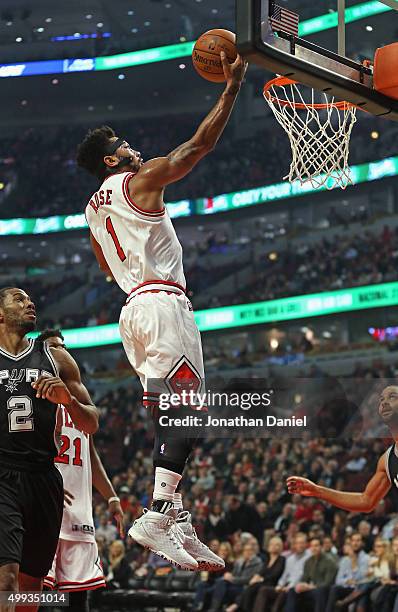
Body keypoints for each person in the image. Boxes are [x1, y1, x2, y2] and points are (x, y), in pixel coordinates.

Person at [76, 51, 247, 570]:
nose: (132, 147)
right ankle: (155, 513)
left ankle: (172, 511)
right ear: (111, 160)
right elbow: (198, 147)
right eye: (122, 146)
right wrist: (232, 86)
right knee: (187, 409)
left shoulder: (92, 208)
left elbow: (107, 268)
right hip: (161, 300)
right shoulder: (137, 180)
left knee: (182, 413)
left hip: (133, 308)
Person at [0, 287, 99, 612]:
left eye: (30, 298)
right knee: (6, 582)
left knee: (31, 589)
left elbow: (91, 424)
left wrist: (68, 401)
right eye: (18, 298)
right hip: (3, 477)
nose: (30, 302)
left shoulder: (55, 358)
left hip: (44, 479)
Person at [39, 329, 124, 612]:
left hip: (79, 514)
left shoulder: (81, 408)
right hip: (44, 506)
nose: (61, 352)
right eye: (53, 347)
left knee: (79, 597)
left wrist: (111, 497)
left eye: (63, 346)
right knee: (35, 593)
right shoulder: (34, 400)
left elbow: (90, 454)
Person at [287, 385, 398, 515]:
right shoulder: (387, 460)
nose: (384, 402)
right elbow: (366, 501)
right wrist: (316, 490)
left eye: (392, 397)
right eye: (381, 399)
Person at [252, 532, 310, 612]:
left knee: (283, 595)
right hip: (285, 586)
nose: (300, 545)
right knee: (264, 590)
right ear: (294, 544)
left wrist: (289, 587)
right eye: (297, 543)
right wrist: (280, 585)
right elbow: (284, 575)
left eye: (302, 543)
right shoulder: (290, 559)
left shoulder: (309, 557)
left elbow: (301, 575)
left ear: (306, 544)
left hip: (296, 587)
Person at [226, 536, 285, 612]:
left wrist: (262, 579)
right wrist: (256, 577)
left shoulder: (281, 559)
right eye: (271, 544)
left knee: (252, 587)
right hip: (262, 583)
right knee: (251, 586)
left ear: (280, 547)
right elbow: (261, 572)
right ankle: (240, 607)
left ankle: (237, 605)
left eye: (276, 544)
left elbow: (276, 574)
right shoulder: (267, 559)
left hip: (272, 584)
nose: (273, 546)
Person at [205, 541, 262, 612]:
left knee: (218, 588)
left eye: (249, 550)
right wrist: (229, 575)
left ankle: (213, 608)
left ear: (253, 552)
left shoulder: (258, 563)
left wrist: (232, 579)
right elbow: (233, 574)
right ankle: (214, 608)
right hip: (234, 585)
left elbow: (249, 579)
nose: (247, 552)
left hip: (245, 587)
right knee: (221, 582)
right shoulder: (239, 562)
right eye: (245, 550)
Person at [283, 537, 337, 612]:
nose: (314, 548)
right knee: (293, 590)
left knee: (320, 591)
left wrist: (312, 587)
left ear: (321, 547)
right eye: (312, 546)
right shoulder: (308, 561)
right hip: (311, 589)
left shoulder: (329, 562)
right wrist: (302, 585)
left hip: (323, 590)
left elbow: (328, 582)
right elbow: (304, 579)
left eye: (316, 546)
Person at [323, 532, 369, 611]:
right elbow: (338, 580)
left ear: (362, 543)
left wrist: (354, 561)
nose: (355, 543)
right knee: (334, 588)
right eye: (353, 541)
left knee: (336, 591)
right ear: (350, 542)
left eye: (358, 541)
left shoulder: (366, 559)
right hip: (346, 588)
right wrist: (347, 581)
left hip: (358, 590)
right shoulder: (345, 560)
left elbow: (360, 579)